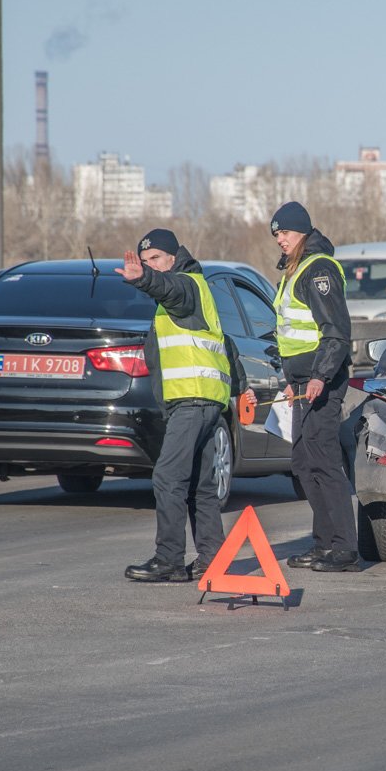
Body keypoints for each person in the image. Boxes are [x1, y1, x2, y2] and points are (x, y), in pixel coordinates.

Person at [117, 228, 231, 582]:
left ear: (173, 256)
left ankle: (168, 560)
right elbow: (223, 342)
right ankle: (213, 559)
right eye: (145, 260)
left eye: (155, 258)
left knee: (168, 477)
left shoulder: (186, 284)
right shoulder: (195, 290)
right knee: (201, 484)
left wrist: (143, 279)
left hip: (193, 400)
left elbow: (171, 290)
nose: (150, 265)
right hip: (207, 400)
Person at [270, 202, 360, 572]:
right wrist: (289, 379)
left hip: (322, 381)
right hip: (302, 383)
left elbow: (336, 331)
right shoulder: (294, 270)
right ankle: (323, 544)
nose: (280, 239)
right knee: (304, 463)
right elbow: (291, 334)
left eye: (286, 232)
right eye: (276, 234)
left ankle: (344, 548)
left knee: (323, 460)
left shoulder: (318, 269)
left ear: (303, 232)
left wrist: (320, 376)